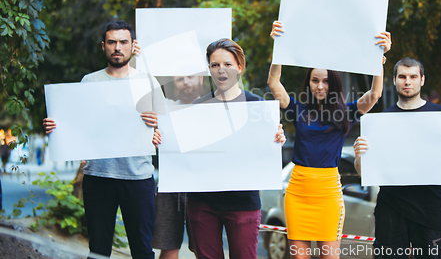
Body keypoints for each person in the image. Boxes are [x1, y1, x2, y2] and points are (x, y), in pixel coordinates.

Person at [267, 21, 392, 259]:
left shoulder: (346, 112)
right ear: (309, 83)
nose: (320, 86)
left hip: (329, 194)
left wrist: (379, 60)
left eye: (325, 81)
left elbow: (375, 95)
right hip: (297, 193)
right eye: (315, 80)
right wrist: (279, 49)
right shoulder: (299, 110)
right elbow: (274, 83)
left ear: (333, 84)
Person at [153, 38, 286, 259]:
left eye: (227, 64)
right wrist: (163, 140)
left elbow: (267, 149)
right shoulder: (197, 108)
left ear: (240, 67)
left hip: (243, 203)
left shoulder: (258, 107)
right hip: (203, 204)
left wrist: (278, 138)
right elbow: (182, 155)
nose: (221, 70)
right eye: (215, 65)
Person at [43, 20, 162, 259]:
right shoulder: (89, 81)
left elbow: (164, 126)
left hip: (138, 177)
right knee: (98, 250)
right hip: (98, 178)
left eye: (123, 42)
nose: (117, 47)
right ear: (103, 46)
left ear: (132, 46)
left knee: (142, 250)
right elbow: (77, 124)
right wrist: (57, 126)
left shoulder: (148, 82)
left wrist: (158, 131)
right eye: (112, 42)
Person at [353, 57, 441, 259]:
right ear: (394, 80)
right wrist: (359, 157)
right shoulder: (379, 121)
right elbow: (364, 172)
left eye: (413, 77)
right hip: (392, 207)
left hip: (432, 208)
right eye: (402, 76)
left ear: (422, 80)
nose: (407, 81)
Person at [152, 75, 204, 259]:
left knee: (204, 249)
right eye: (180, 78)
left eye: (190, 77)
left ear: (200, 79)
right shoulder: (164, 108)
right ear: (173, 83)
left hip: (202, 188)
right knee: (168, 247)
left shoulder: (211, 109)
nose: (186, 82)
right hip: (170, 186)